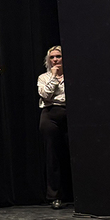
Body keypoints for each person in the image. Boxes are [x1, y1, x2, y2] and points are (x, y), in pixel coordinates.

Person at [37, 45, 69, 209]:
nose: (55, 60)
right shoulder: (44, 77)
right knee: (52, 156)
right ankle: (55, 196)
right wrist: (55, 78)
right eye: (52, 57)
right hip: (50, 115)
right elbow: (45, 95)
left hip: (69, 114)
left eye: (58, 56)